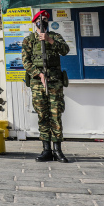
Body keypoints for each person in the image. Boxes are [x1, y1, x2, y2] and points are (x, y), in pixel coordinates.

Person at [21, 10, 70, 163]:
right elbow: (26, 62)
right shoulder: (29, 40)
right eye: (40, 19)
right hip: (37, 83)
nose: (42, 21)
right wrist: (39, 74)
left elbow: (65, 50)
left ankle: (58, 150)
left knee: (55, 114)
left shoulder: (55, 37)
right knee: (42, 115)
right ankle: (46, 150)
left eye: (45, 19)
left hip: (54, 82)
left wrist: (49, 40)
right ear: (34, 22)